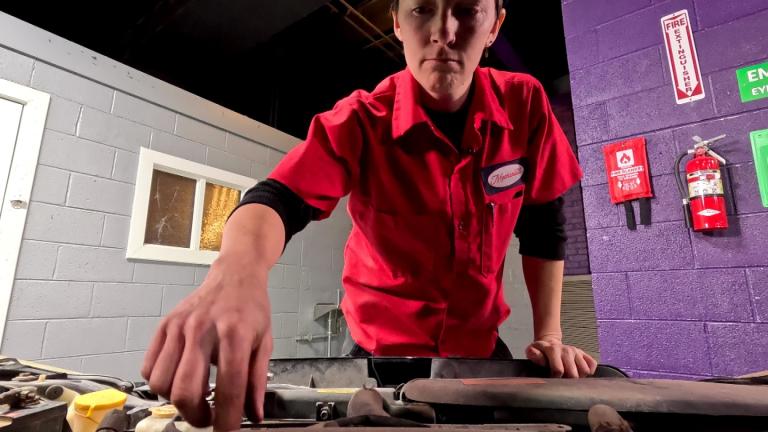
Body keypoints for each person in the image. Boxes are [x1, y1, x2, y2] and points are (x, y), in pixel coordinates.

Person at [141, 0, 598, 429]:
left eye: (466, 10)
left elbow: (543, 223)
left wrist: (550, 335)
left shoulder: (526, 105)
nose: (444, 32)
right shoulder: (361, 119)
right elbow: (278, 197)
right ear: (397, 22)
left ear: (495, 24)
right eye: (422, 9)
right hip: (375, 354)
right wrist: (235, 273)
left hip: (479, 351)